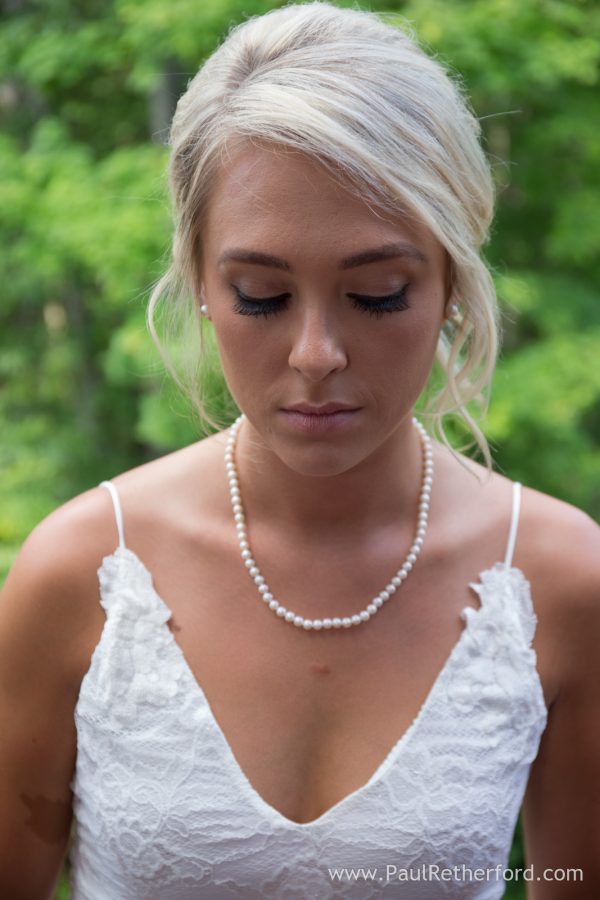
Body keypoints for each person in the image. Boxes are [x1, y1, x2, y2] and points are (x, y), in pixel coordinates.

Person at [1, 2, 599, 898]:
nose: (316, 354)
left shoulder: (563, 580)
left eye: (380, 293)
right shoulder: (79, 572)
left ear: (452, 288)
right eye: (260, 296)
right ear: (199, 280)